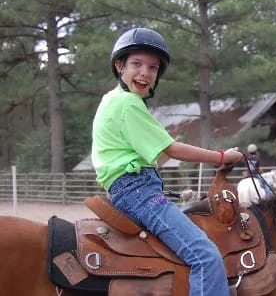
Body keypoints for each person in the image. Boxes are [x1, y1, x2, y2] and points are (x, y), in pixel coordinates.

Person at [91, 27, 242, 296]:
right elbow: (172, 149)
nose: (145, 73)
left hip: (132, 188)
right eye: (136, 64)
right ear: (119, 66)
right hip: (138, 192)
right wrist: (222, 156)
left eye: (153, 67)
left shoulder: (111, 101)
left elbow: (155, 154)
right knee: (205, 255)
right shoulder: (127, 104)